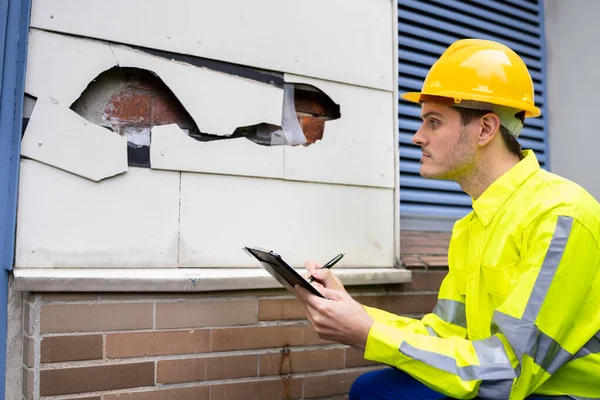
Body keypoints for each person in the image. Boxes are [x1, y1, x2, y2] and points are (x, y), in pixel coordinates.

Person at [294, 38, 600, 400]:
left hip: (557, 393)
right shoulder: (473, 225)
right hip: (505, 382)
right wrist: (359, 315)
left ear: (485, 129)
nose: (417, 136)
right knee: (373, 390)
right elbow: (446, 336)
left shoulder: (560, 215)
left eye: (433, 122)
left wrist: (368, 334)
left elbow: (509, 371)